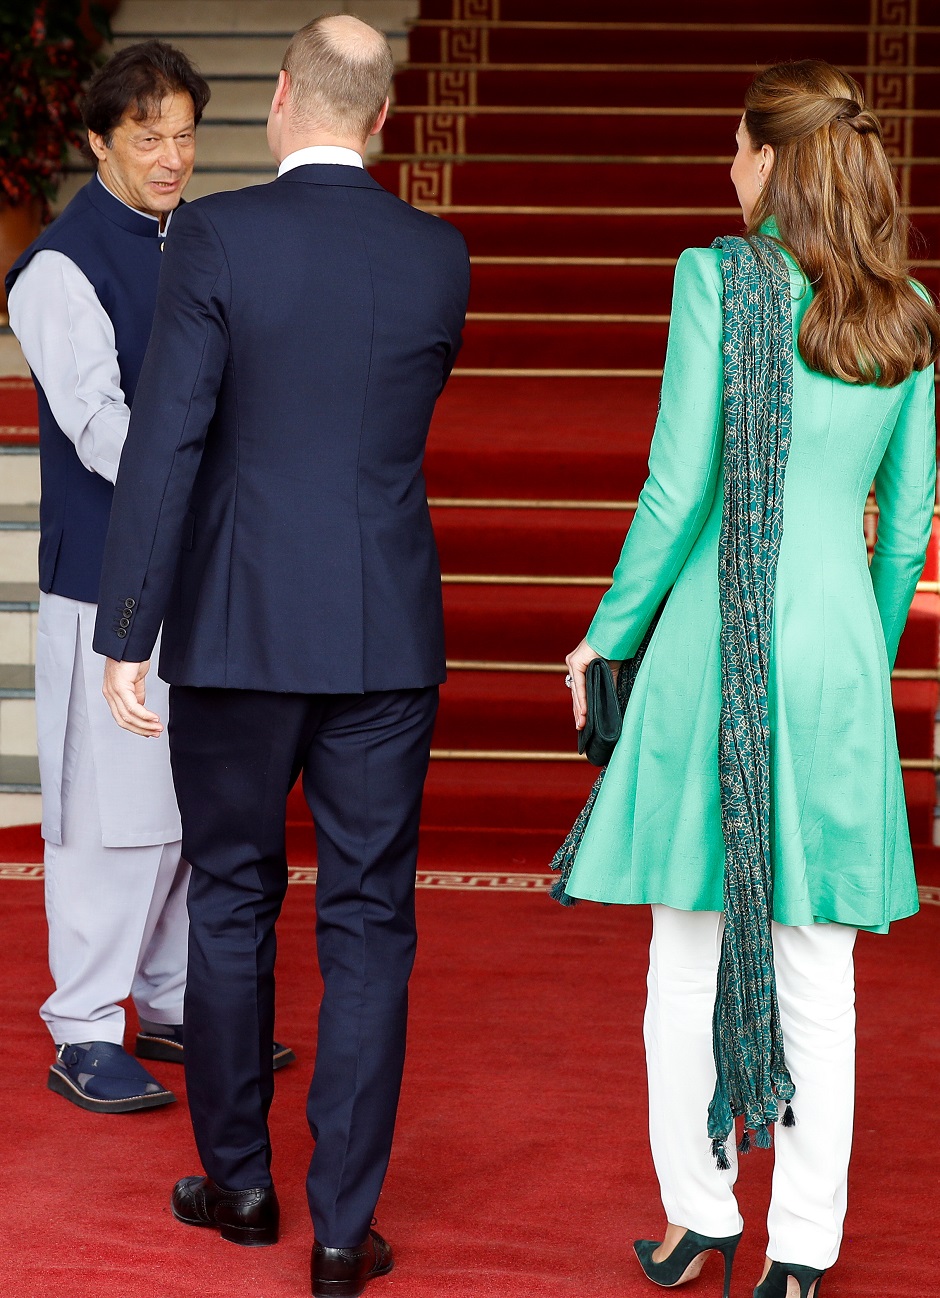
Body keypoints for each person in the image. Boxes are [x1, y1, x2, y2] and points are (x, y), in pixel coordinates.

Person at [93, 13, 469, 1296]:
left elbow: (170, 439)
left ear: (286, 103)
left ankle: (241, 1184)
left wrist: (125, 628)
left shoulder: (217, 234)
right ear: (377, 119)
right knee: (369, 920)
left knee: (236, 897)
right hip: (382, 631)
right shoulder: (437, 256)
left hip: (242, 623)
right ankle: (344, 1230)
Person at [557, 60, 938, 1298]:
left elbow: (678, 491)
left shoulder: (721, 276)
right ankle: (802, 1255)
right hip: (830, 658)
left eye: (737, 149)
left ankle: (700, 1211)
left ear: (776, 162)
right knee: (818, 970)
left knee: (686, 947)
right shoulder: (904, 312)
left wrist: (607, 632)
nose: (728, 170)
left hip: (713, 648)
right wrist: (858, 663)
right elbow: (904, 529)